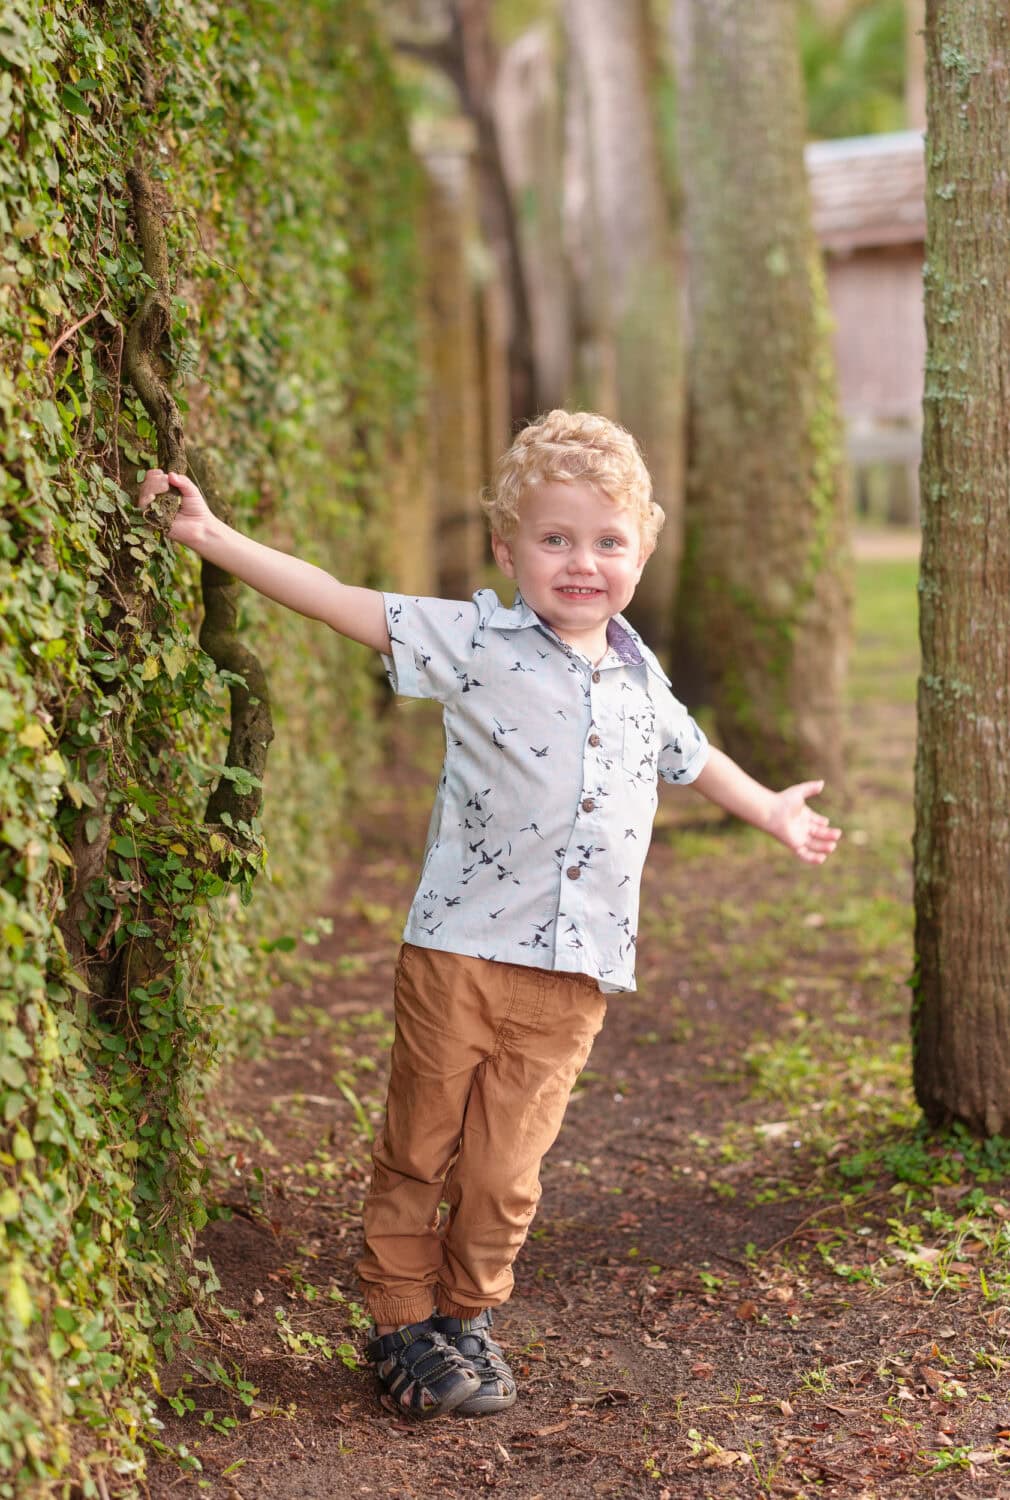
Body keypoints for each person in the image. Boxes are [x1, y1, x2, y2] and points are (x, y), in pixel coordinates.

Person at [138, 409, 841, 1422]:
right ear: (508, 548)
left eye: (607, 542)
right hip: (457, 954)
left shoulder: (644, 684)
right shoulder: (472, 642)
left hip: (573, 976)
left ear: (640, 551)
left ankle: (464, 1318)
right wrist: (214, 540)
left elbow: (696, 758)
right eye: (554, 540)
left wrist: (770, 808)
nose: (581, 563)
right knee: (420, 1146)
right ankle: (397, 1323)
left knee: (505, 1173)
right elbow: (342, 602)